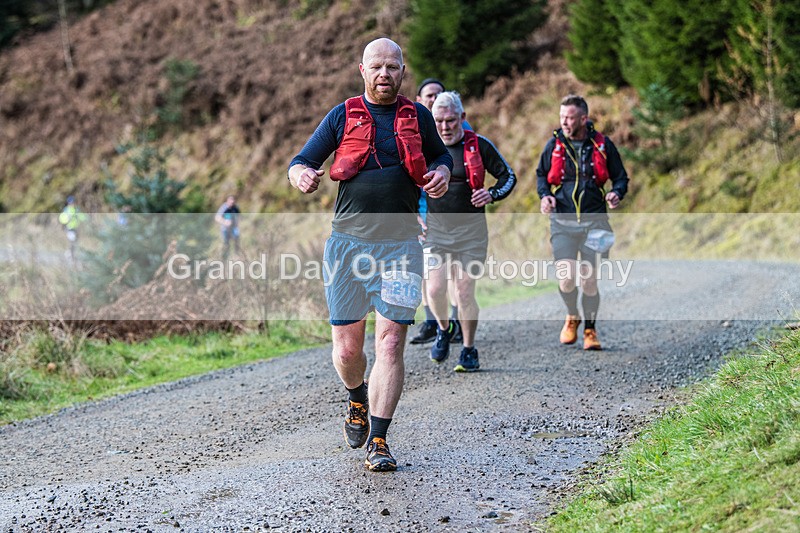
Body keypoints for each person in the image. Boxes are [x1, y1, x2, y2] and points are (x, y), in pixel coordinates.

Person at [288, 38, 452, 472]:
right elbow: (301, 160)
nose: (384, 74)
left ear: (403, 71)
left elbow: (440, 158)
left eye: (392, 67)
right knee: (347, 351)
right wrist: (301, 174)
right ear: (362, 69)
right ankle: (357, 397)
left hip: (401, 247)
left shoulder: (417, 115)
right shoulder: (342, 115)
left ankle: (379, 438)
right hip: (347, 246)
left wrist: (439, 173)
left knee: (392, 341)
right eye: (376, 67)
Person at [426, 91, 516, 371]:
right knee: (435, 289)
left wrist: (492, 194)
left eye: (451, 120)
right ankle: (444, 328)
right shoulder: (424, 148)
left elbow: (508, 176)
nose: (445, 127)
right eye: (439, 121)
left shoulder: (479, 145)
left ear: (462, 118)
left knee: (464, 291)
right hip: (435, 231)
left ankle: (468, 348)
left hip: (471, 233)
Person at [536, 94, 629, 351]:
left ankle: (590, 329)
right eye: (562, 117)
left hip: (595, 222)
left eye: (570, 117)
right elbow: (541, 175)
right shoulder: (554, 145)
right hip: (563, 223)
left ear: (584, 119)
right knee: (566, 278)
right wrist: (545, 197)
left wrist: (616, 193)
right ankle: (571, 316)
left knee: (588, 279)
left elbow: (621, 178)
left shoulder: (602, 145)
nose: (564, 122)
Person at [409, 78, 469, 345]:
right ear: (420, 101)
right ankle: (431, 322)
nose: (434, 99)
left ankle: (454, 320)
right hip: (422, 207)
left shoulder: (459, 130)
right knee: (426, 270)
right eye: (428, 96)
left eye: (438, 94)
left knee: (453, 270)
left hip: (452, 213)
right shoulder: (413, 132)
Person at [58, 195, 87, 264]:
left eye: (73, 202)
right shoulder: (66, 210)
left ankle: (68, 254)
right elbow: (62, 219)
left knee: (75, 242)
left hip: (75, 228)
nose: (73, 204)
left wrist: (86, 218)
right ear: (69, 203)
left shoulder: (76, 210)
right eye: (71, 202)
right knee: (72, 240)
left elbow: (81, 216)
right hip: (69, 229)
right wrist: (67, 219)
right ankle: (70, 256)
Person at [215, 195, 241, 260]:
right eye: (230, 202)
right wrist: (224, 222)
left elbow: (239, 216)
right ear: (227, 201)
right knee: (226, 243)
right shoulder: (224, 208)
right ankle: (225, 257)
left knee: (237, 239)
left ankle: (236, 255)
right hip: (225, 229)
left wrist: (237, 223)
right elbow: (217, 217)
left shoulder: (235, 208)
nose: (232, 203)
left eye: (233, 202)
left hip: (233, 228)